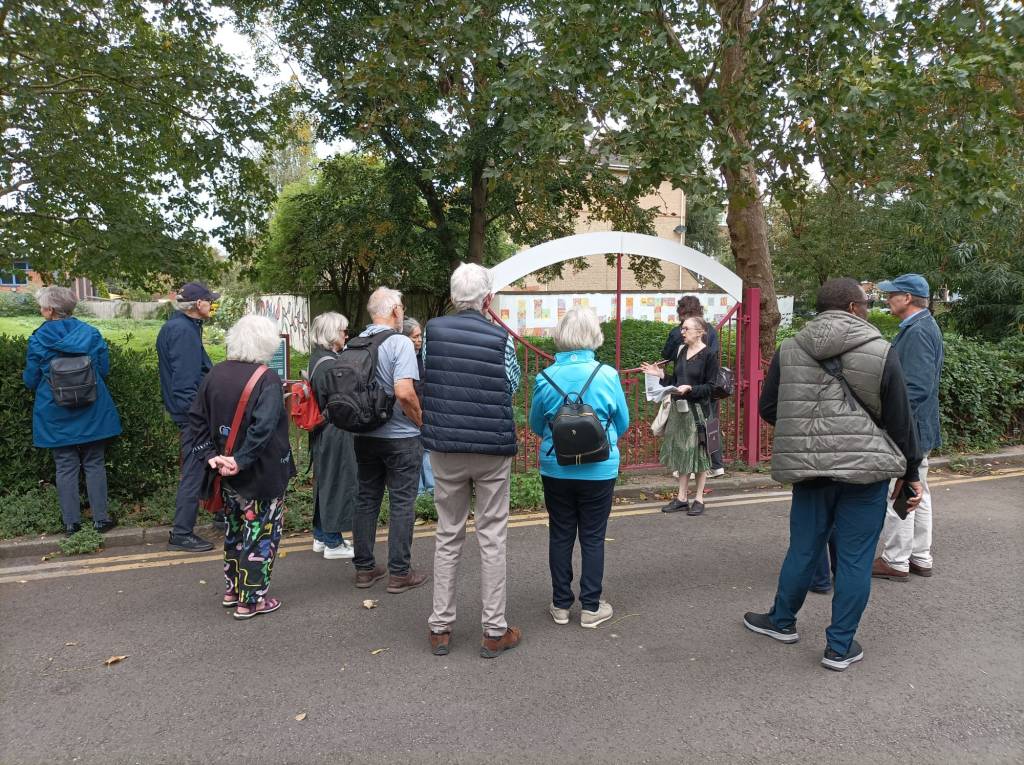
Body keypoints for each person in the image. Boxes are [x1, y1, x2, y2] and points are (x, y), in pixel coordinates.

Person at [743, 278, 923, 672]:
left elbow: (769, 407)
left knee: (804, 548)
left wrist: (807, 427)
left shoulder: (790, 349)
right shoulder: (881, 350)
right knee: (856, 559)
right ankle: (839, 647)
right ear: (854, 307)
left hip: (809, 469)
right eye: (866, 302)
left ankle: (782, 621)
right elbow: (900, 420)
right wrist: (910, 473)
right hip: (866, 472)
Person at [422, 263, 523, 659]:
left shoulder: (432, 333)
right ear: (488, 299)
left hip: (445, 445)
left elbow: (430, 376)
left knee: (448, 533)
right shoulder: (502, 338)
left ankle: (440, 627)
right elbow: (510, 386)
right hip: (490, 448)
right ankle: (494, 630)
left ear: (452, 297)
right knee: (492, 535)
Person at [188, 315, 296, 619]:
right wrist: (242, 459)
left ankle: (232, 589)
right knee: (261, 532)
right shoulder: (267, 378)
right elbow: (263, 428)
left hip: (224, 472)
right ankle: (252, 600)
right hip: (261, 472)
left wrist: (210, 455)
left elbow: (196, 419)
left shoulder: (215, 374)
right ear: (267, 343)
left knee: (234, 529)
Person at [530, 307, 629, 629]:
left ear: (561, 337)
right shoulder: (607, 375)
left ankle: (560, 605)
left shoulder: (544, 377)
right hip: (599, 468)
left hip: (555, 466)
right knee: (593, 536)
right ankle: (590, 607)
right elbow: (623, 422)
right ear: (593, 337)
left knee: (560, 534)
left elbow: (535, 423)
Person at [23, 286, 122, 536]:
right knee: (94, 462)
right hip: (92, 407)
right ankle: (101, 520)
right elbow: (104, 369)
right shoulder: (90, 333)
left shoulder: (38, 338)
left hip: (55, 410)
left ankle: (71, 524)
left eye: (42, 306)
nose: (40, 309)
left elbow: (31, 380)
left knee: (65, 465)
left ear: (51, 310)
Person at [350, 287, 429, 595]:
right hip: (400, 437)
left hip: (365, 435)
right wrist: (422, 422)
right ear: (396, 311)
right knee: (401, 503)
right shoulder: (399, 343)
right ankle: (399, 573)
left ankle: (365, 569)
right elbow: (405, 392)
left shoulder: (357, 342)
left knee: (366, 499)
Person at [873, 274, 944, 582]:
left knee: (900, 490)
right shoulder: (922, 326)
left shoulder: (916, 332)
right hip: (920, 426)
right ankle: (919, 556)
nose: (887, 299)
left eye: (892, 295)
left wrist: (893, 423)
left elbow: (915, 388)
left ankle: (896, 560)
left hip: (910, 429)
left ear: (907, 299)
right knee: (919, 491)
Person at [156, 281, 219, 552]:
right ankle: (181, 533)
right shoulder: (183, 332)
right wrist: (198, 418)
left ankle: (220, 516)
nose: (212, 304)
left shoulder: (182, 326)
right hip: (192, 414)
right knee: (194, 470)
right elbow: (184, 384)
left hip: (191, 412)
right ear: (197, 305)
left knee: (209, 464)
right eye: (209, 300)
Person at [641, 316, 719, 516]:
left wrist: (691, 389)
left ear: (699, 332)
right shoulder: (681, 351)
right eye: (682, 329)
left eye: (686, 329)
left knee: (700, 455)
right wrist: (660, 376)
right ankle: (682, 498)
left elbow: (711, 387)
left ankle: (699, 498)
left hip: (698, 412)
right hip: (679, 410)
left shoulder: (709, 355)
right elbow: (675, 381)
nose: (682, 332)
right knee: (682, 452)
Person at [308, 312, 357, 559]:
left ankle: (321, 535)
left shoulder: (317, 359)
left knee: (325, 482)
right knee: (337, 482)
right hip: (335, 430)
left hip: (321, 430)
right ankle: (333, 543)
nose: (345, 335)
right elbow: (341, 402)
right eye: (342, 331)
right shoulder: (331, 364)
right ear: (331, 333)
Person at [662, 295, 725, 477]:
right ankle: (716, 465)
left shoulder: (678, 332)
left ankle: (689, 467)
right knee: (710, 425)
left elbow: (666, 353)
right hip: (709, 386)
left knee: (688, 429)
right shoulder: (710, 330)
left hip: (688, 387)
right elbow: (714, 354)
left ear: (681, 311)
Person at [402, 318, 434, 496]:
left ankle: (431, 489)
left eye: (420, 336)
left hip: (425, 409)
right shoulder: (402, 358)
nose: (419, 340)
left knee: (427, 449)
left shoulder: (423, 357)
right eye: (414, 337)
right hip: (409, 411)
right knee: (415, 451)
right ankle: (420, 491)